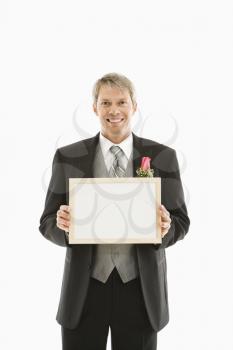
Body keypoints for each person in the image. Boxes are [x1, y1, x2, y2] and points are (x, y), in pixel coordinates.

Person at [39, 72, 190, 350]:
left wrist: (166, 228)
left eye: (121, 102)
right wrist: (61, 226)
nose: (114, 110)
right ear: (94, 107)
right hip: (84, 291)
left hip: (141, 290)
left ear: (134, 106)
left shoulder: (162, 157)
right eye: (106, 103)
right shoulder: (68, 156)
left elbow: (181, 221)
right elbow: (46, 222)